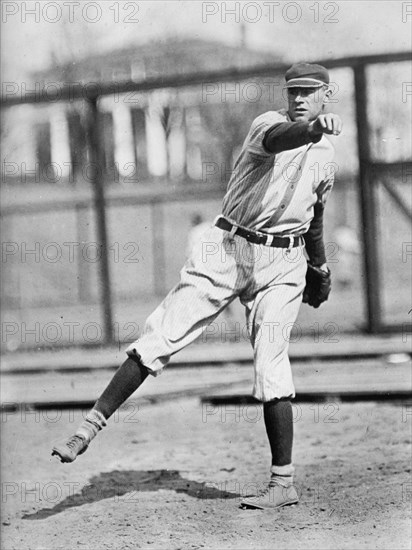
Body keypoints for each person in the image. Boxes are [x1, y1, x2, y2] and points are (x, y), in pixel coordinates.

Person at [52, 63, 342, 510]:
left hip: (284, 260)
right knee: (162, 333)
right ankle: (88, 426)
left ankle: (282, 483)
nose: (299, 99)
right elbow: (287, 137)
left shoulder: (328, 156)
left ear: (327, 93)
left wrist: (318, 268)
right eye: (292, 92)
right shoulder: (269, 125)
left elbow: (316, 215)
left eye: (308, 92)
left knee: (272, 361)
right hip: (228, 248)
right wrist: (312, 129)